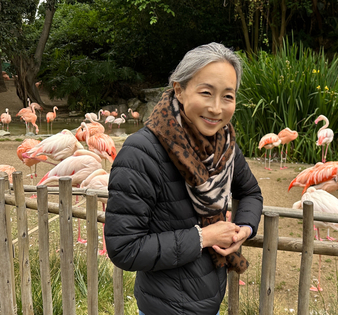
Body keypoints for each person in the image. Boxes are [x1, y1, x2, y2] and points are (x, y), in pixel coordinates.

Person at [105, 42, 263, 315]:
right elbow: (124, 248)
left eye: (228, 96)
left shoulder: (224, 146)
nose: (216, 108)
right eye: (206, 92)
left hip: (210, 300)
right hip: (163, 307)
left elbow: (250, 192)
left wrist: (245, 229)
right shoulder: (141, 153)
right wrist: (202, 237)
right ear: (179, 89)